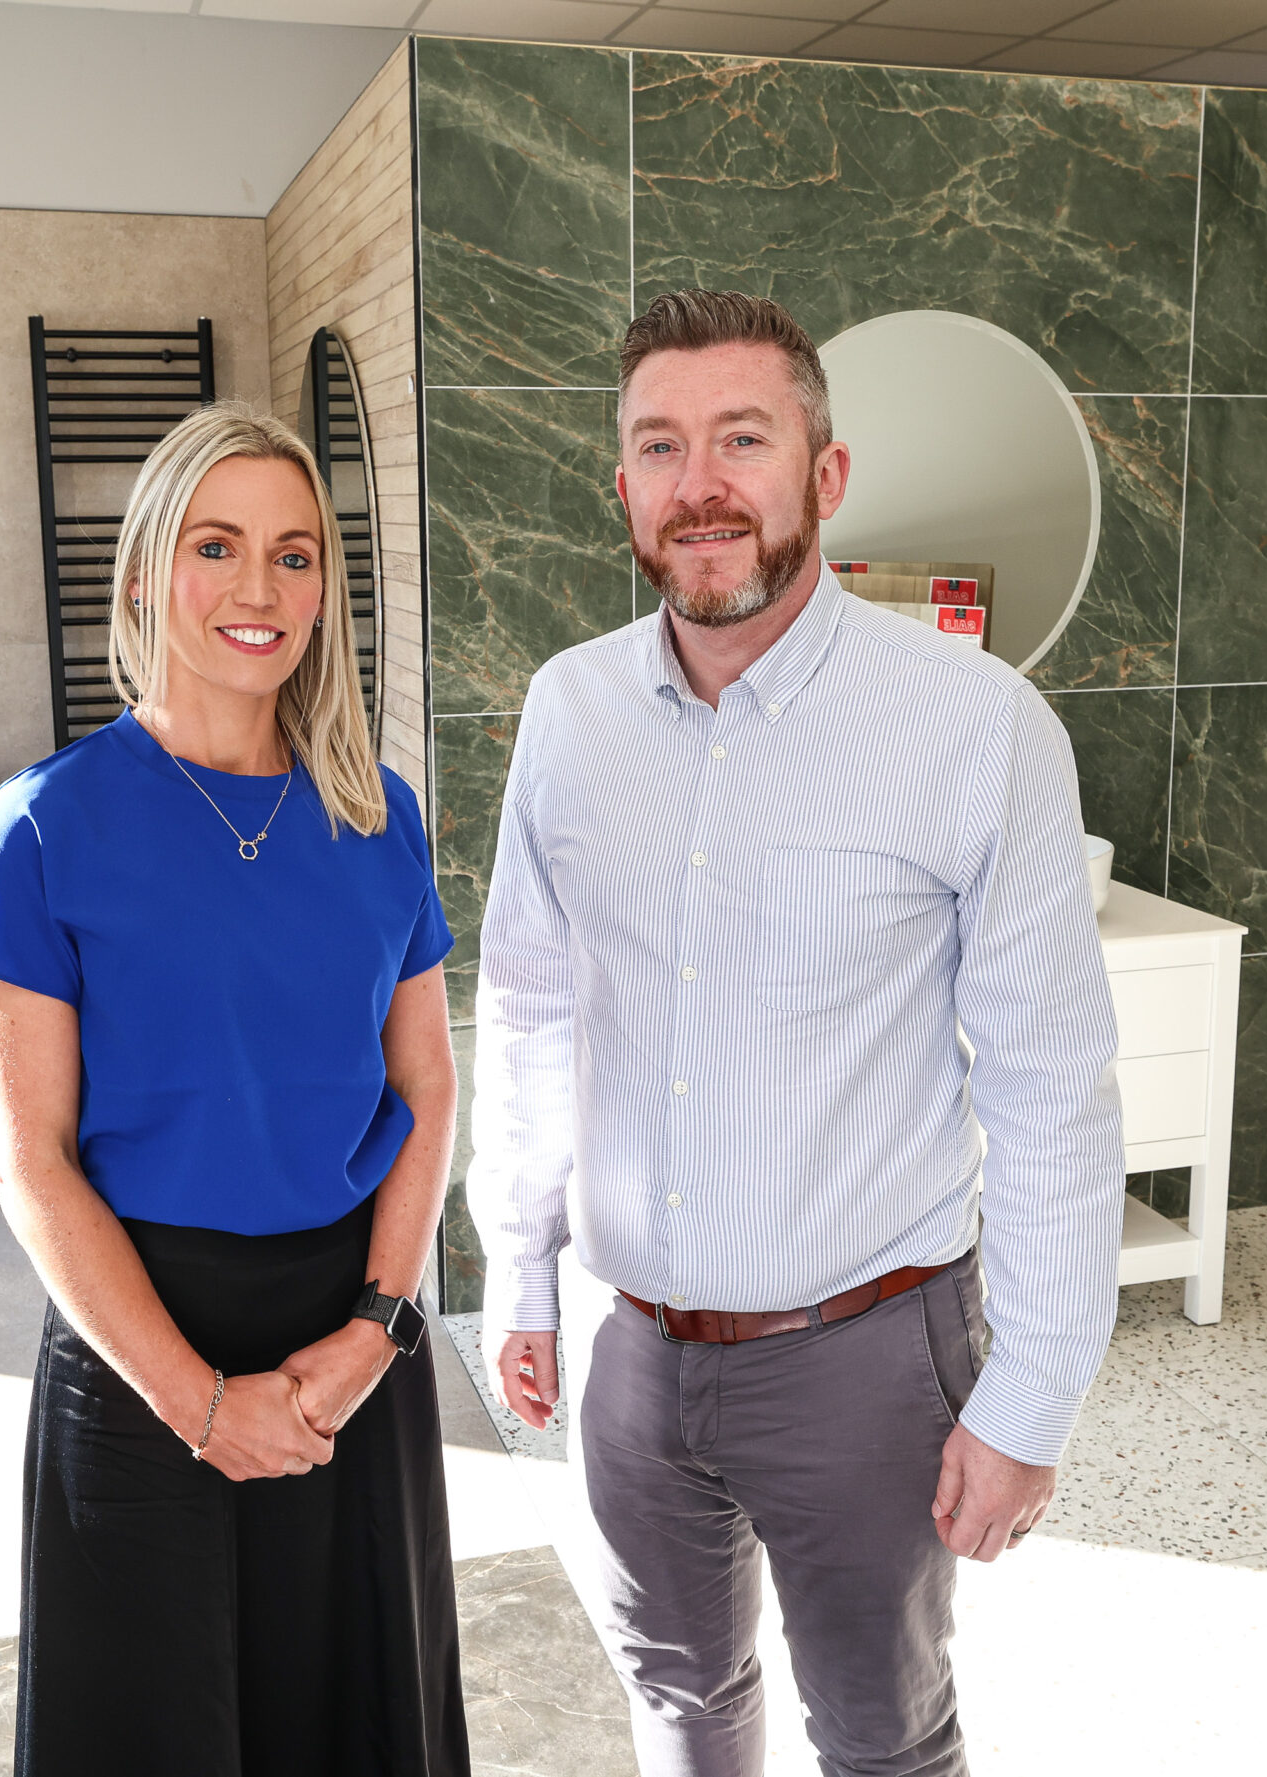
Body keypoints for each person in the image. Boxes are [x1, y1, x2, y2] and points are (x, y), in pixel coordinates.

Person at [468, 290, 1125, 1777]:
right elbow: (531, 1001)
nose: (701, 482)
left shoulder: (975, 726)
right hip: (630, 1345)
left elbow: (1047, 1087)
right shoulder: (569, 713)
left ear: (824, 478)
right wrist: (519, 1268)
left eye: (742, 438)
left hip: (866, 1352)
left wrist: (1033, 1390)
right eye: (661, 445)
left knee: (885, 1735)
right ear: (623, 486)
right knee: (678, 1698)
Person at [0, 402, 467, 1776]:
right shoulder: (39, 827)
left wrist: (379, 1327)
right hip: (140, 1344)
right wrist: (200, 1401)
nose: (259, 590)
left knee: (362, 1718)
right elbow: (32, 1160)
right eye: (218, 546)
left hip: (350, 1344)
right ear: (148, 570)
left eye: (294, 554)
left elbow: (428, 1085)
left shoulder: (377, 819)